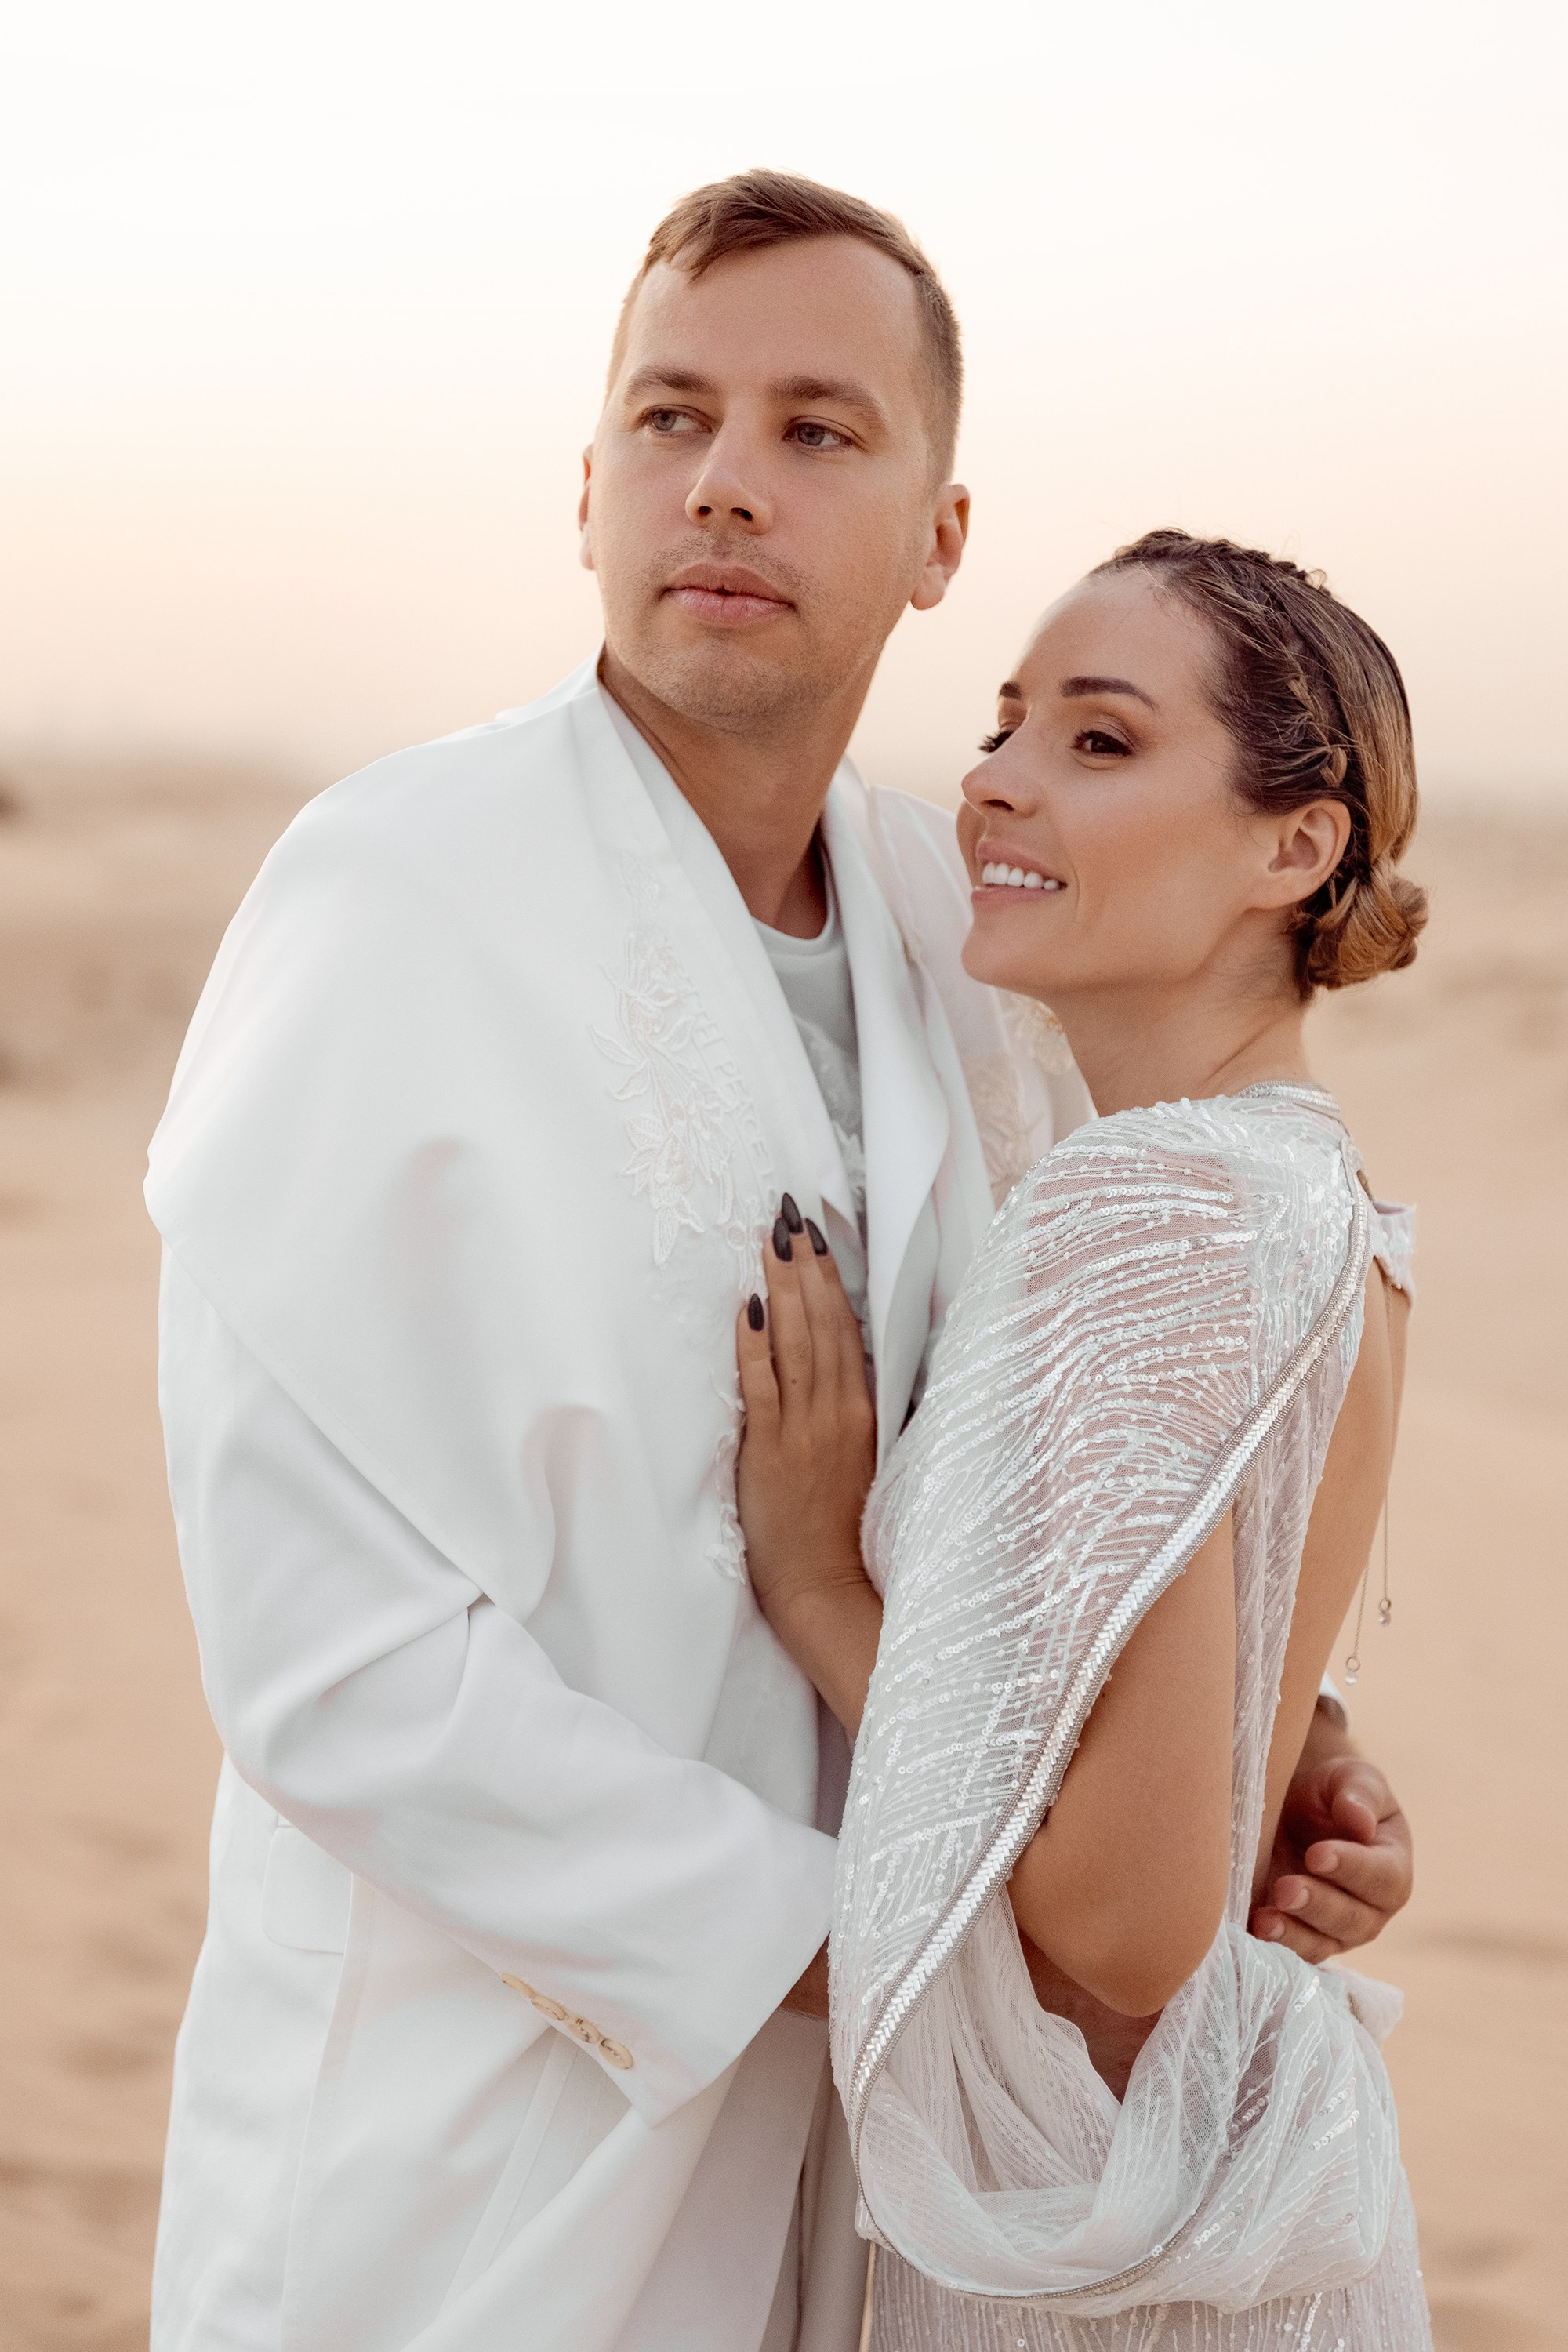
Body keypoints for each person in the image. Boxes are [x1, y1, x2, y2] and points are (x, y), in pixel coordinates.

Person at [145, 171, 1413, 2352]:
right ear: (588, 489)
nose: (729, 482)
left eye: (820, 428)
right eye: (672, 417)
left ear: (939, 533)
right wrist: (888, 1925)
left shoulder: (978, 922)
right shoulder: (394, 897)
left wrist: (1244, 1766)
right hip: (484, 2148)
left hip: (889, 2166)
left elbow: (1043, 1474)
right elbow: (321, 1658)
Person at [733, 529, 1432, 2349]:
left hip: (1102, 2209)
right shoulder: (1323, 1196)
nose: (995, 784)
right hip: (1231, 2166)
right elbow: (1213, 1704)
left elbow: (1127, 1926)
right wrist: (1304, 1768)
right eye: (1004, 723)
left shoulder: (1140, 1218)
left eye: (1100, 742)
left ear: (1298, 846)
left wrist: (815, 1581)